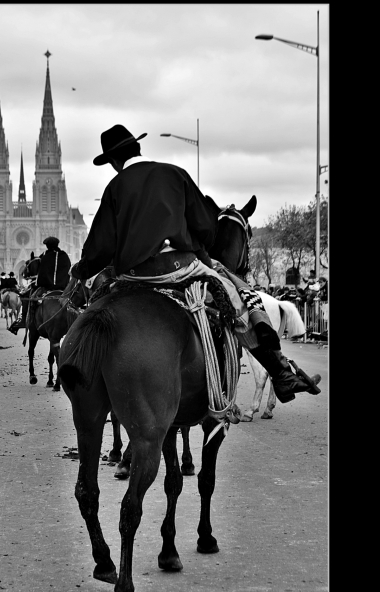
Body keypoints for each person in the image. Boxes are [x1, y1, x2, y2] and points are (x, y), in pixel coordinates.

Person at [69, 124, 321, 404]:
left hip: (134, 276)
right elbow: (206, 226)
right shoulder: (176, 174)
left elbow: (99, 248)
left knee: (95, 304)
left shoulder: (115, 186)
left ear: (115, 161)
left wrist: (80, 270)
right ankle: (281, 373)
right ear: (138, 148)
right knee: (237, 303)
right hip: (181, 268)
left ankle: (78, 359)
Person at [8, 240, 71, 334]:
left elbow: (41, 273)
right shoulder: (64, 256)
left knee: (26, 298)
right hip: (64, 287)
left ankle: (24, 320)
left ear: (47, 246)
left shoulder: (45, 257)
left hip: (48, 287)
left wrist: (38, 282)